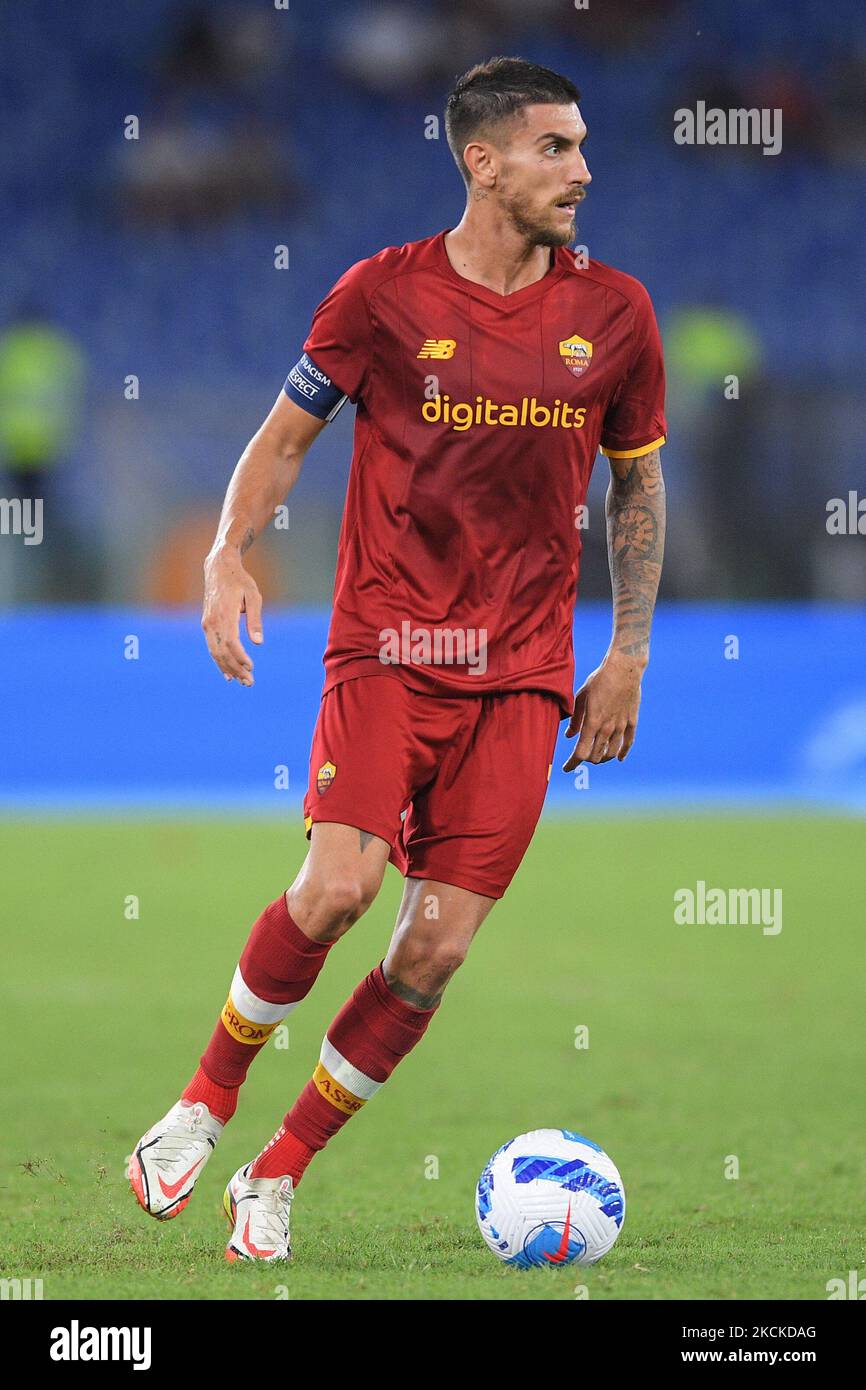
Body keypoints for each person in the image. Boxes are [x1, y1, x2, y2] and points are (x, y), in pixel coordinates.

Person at [129, 56, 667, 1262]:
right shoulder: (381, 295)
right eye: (555, 148)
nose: (583, 170)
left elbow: (636, 486)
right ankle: (205, 1099)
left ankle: (275, 1171)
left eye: (582, 146)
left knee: (430, 950)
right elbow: (281, 443)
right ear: (481, 162)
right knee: (337, 892)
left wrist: (626, 651)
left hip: (526, 678)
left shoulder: (616, 314)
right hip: (389, 645)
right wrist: (225, 554)